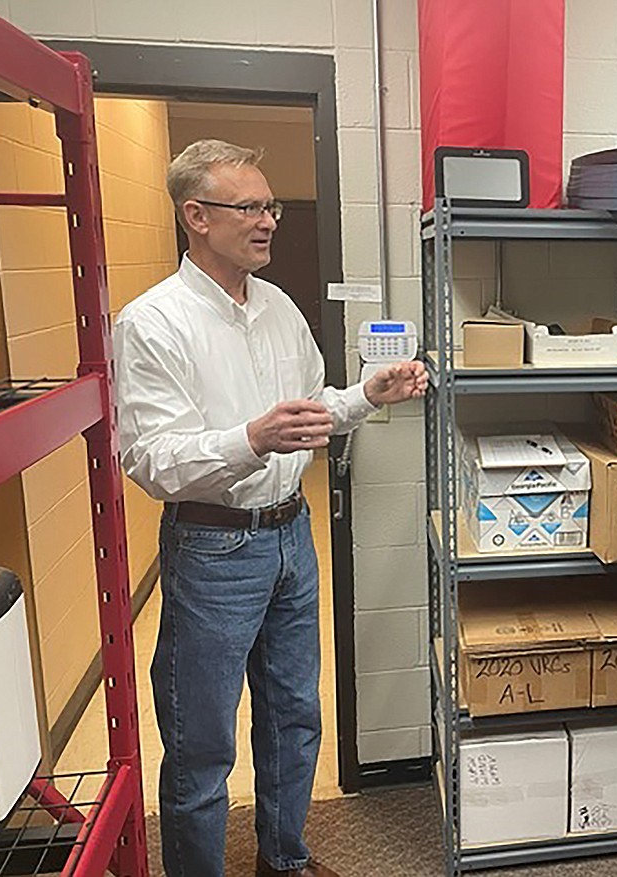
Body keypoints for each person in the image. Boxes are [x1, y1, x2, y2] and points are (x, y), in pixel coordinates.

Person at [115, 139, 427, 877]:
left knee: (295, 714)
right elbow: (151, 459)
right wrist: (249, 438)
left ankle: (284, 859)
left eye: (270, 206)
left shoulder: (279, 307)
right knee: (202, 740)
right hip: (213, 546)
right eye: (249, 207)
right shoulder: (152, 322)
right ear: (196, 215)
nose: (268, 222)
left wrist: (363, 398)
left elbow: (311, 408)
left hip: (291, 533)